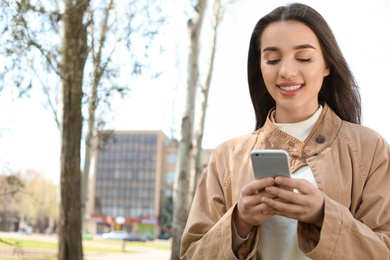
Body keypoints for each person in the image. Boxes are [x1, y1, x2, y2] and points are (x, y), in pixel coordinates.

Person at [180, 3, 390, 260]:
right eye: (272, 59)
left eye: (304, 58)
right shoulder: (227, 158)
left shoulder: (369, 148)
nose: (287, 72)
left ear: (327, 65)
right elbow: (192, 254)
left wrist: (324, 215)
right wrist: (239, 222)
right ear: (260, 67)